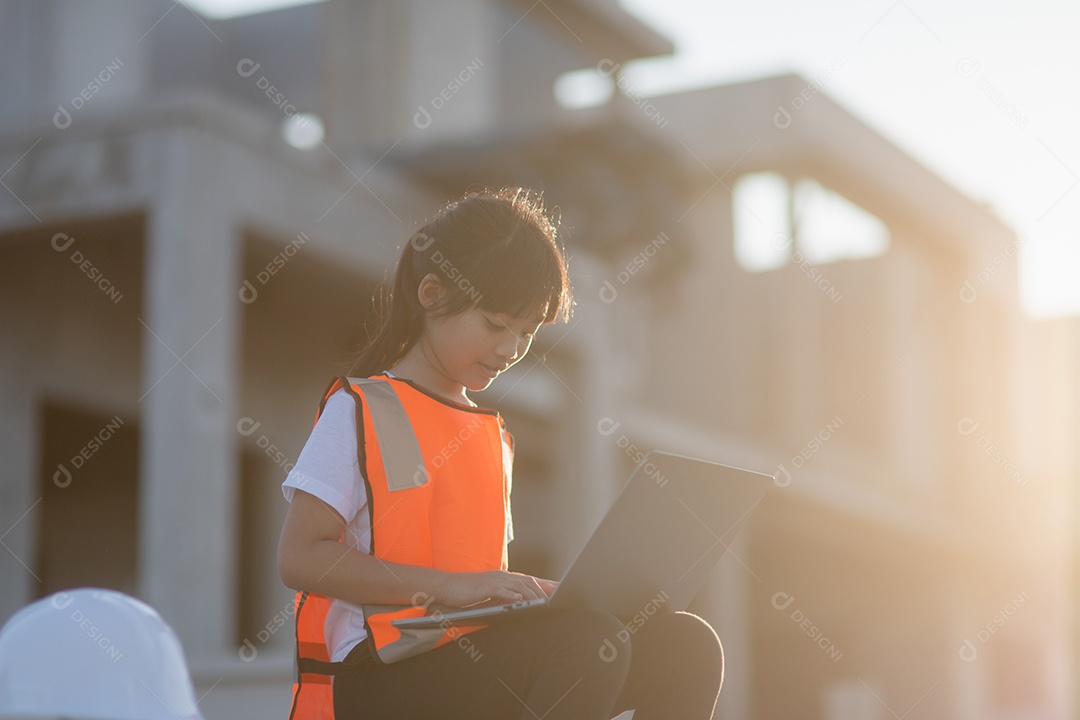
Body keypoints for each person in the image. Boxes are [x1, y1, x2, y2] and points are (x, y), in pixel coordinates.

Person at [276, 187, 724, 720]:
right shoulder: (359, 409)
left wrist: (532, 595)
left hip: (465, 659)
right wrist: (449, 587)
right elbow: (299, 557)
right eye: (495, 324)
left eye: (527, 332)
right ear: (431, 294)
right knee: (587, 642)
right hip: (377, 675)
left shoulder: (492, 436)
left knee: (686, 645)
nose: (510, 349)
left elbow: (478, 585)